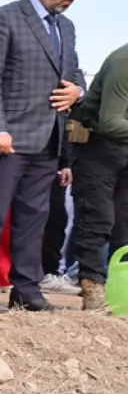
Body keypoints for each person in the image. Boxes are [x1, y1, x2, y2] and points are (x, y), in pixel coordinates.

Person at [0, 0, 91, 314]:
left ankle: (27, 289)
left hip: (47, 140)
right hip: (6, 139)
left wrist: (77, 91)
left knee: (34, 219)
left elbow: (74, 73)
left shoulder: (66, 28)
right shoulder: (3, 18)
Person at [70, 41, 128, 311]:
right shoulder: (123, 62)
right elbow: (110, 121)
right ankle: (92, 286)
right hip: (99, 150)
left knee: (125, 225)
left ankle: (120, 291)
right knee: (98, 219)